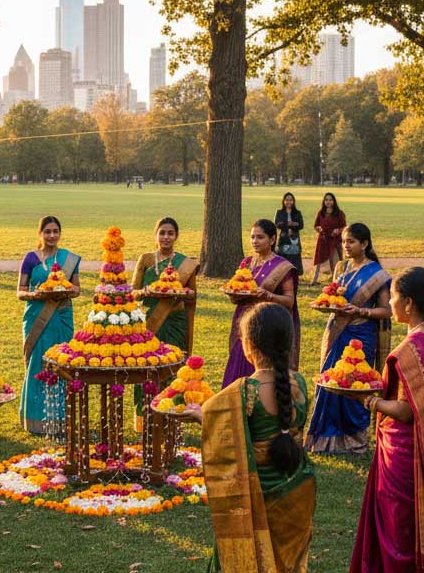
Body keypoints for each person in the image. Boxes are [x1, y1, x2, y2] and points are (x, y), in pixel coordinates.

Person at [347, 267, 424, 572]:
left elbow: (406, 411)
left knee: (399, 531)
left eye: (392, 297)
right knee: (417, 525)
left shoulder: (411, 350)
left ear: (408, 304)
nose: (389, 303)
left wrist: (369, 400)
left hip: (405, 457)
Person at [186, 303, 315, 572]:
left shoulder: (244, 392)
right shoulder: (300, 384)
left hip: (257, 494)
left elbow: (221, 425)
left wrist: (201, 416)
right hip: (297, 488)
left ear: (249, 347)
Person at [306, 223, 391, 454]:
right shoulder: (341, 268)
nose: (346, 246)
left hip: (361, 336)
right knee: (332, 381)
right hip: (337, 331)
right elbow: (334, 296)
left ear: (364, 244)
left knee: (354, 383)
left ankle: (355, 441)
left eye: (351, 242)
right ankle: (327, 440)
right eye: (344, 242)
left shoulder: (378, 274)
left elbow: (386, 311)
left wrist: (361, 312)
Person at [130, 217, 199, 431]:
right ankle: (144, 419)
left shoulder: (186, 263)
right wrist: (146, 291)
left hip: (176, 322)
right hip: (150, 323)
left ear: (176, 236)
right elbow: (133, 292)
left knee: (172, 368)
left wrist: (182, 292)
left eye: (170, 233)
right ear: (156, 235)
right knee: (147, 368)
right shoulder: (146, 259)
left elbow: (193, 295)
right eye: (162, 233)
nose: (166, 237)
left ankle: (171, 418)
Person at [17, 216, 81, 435]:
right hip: (37, 316)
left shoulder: (69, 259)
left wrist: (69, 290)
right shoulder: (30, 259)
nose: (52, 235)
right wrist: (37, 294)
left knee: (62, 362)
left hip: (62, 316)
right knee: (38, 362)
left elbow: (77, 288)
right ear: (40, 233)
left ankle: (62, 419)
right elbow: (20, 291)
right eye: (48, 231)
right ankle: (35, 419)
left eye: (55, 231)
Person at [223, 219, 300, 387]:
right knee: (238, 365)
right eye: (252, 237)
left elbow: (289, 300)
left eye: (260, 237)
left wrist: (268, 295)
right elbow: (236, 294)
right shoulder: (247, 263)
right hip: (242, 323)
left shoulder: (282, 267)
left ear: (272, 240)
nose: (254, 241)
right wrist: (234, 294)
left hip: (265, 326)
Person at [311, 192, 346, 285]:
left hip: (334, 240)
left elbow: (344, 227)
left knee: (335, 261)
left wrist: (337, 230)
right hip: (323, 239)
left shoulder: (339, 213)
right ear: (324, 201)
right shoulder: (320, 213)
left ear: (334, 201)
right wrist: (318, 228)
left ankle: (337, 280)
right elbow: (316, 225)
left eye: (330, 200)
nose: (328, 202)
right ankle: (315, 279)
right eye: (326, 200)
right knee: (319, 259)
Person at [274, 192, 305, 274]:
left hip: (294, 240)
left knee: (294, 258)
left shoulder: (297, 212)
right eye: (287, 200)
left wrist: (293, 225)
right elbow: (277, 224)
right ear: (283, 201)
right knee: (283, 258)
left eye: (291, 200)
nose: (289, 202)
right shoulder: (279, 212)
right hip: (283, 239)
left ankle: (294, 276)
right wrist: (288, 223)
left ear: (293, 201)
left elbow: (301, 225)